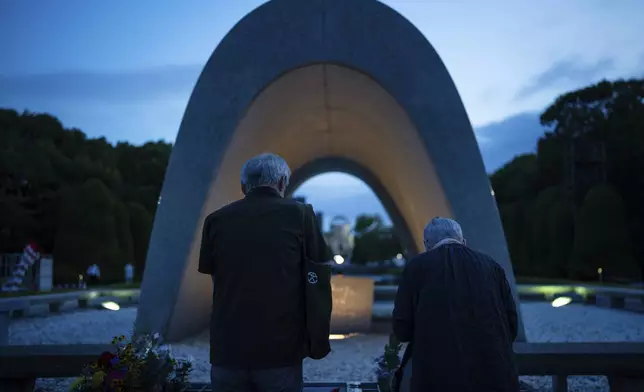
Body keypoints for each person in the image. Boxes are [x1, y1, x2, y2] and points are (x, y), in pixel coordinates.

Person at [198, 153, 330, 392]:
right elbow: (319, 274)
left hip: (227, 347)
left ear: (243, 186)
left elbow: (214, 275)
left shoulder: (215, 220)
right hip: (280, 348)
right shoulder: (300, 215)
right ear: (281, 182)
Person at [392, 217, 519, 392]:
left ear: (427, 244)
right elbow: (511, 324)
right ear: (463, 241)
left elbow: (402, 329)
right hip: (494, 372)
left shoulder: (416, 267)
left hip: (437, 375)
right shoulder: (492, 266)